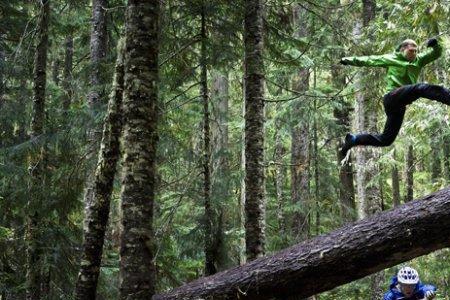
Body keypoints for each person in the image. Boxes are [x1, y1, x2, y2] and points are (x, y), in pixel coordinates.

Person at [339, 37, 450, 157]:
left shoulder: (419, 60)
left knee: (386, 139)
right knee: (420, 88)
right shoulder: (392, 58)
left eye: (415, 51)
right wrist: (347, 60)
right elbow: (370, 60)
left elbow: (435, 54)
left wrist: (435, 45)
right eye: (411, 51)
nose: (414, 54)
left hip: (400, 104)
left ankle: (354, 139)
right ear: (403, 49)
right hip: (392, 97)